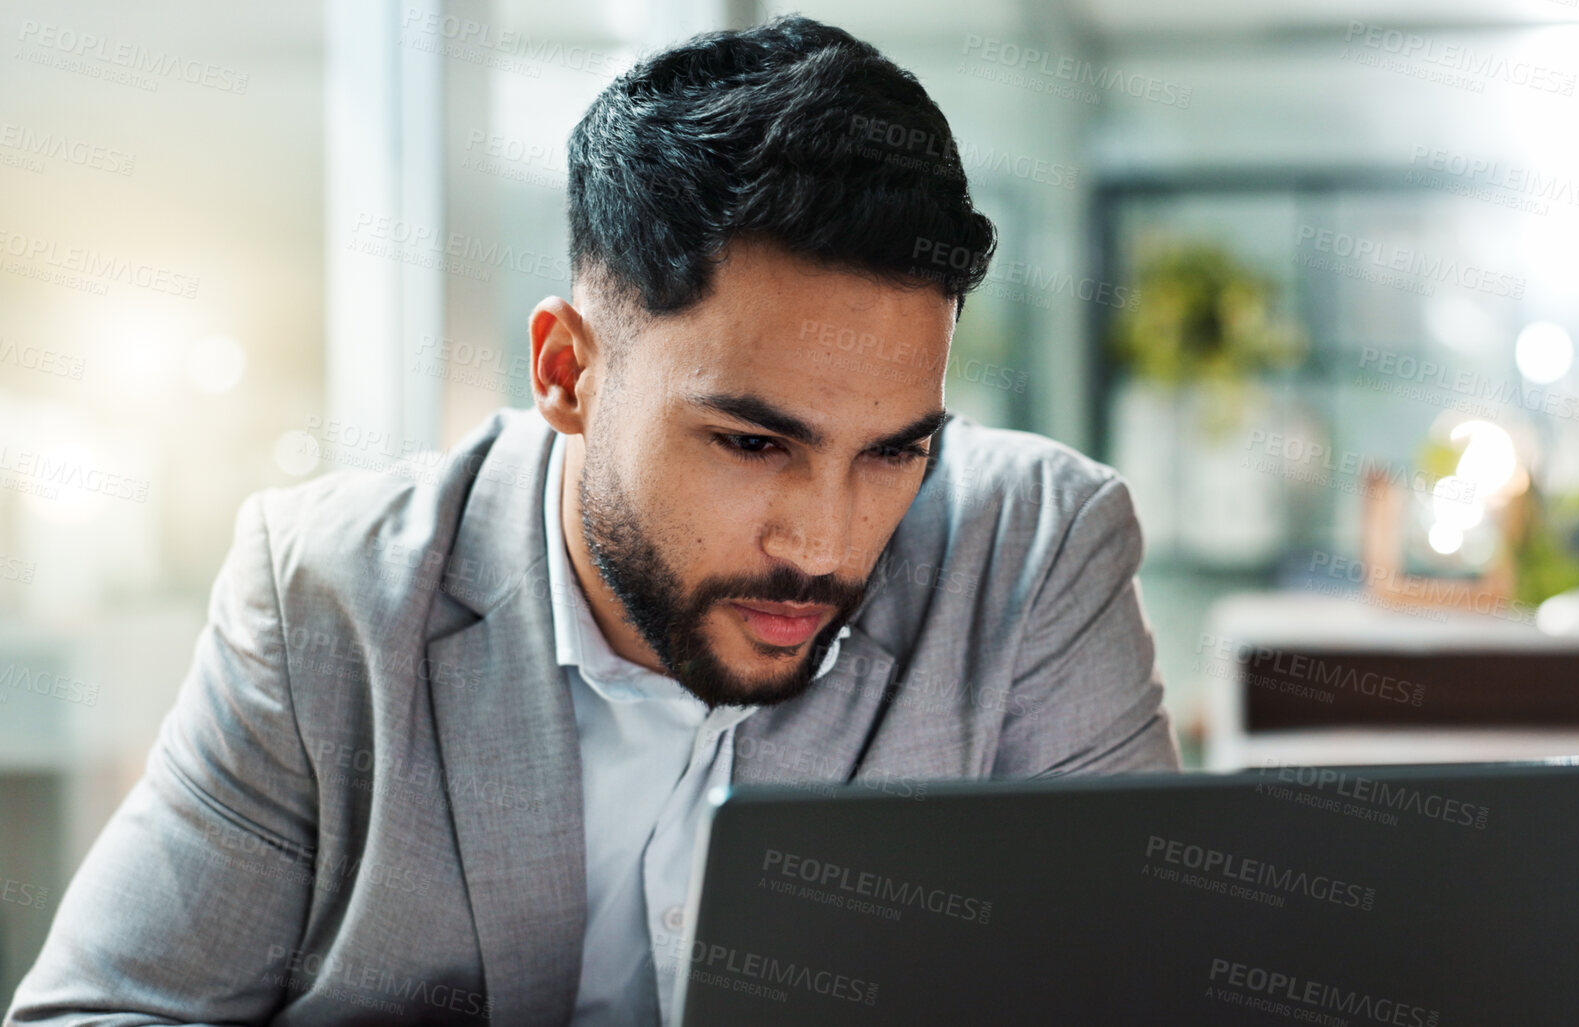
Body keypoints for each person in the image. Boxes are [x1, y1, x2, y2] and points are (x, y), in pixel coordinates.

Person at [5, 15, 1178, 1027]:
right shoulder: (331, 597)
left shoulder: (1034, 553)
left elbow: (1153, 997)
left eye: (893, 453)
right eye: (753, 443)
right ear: (567, 372)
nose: (825, 545)